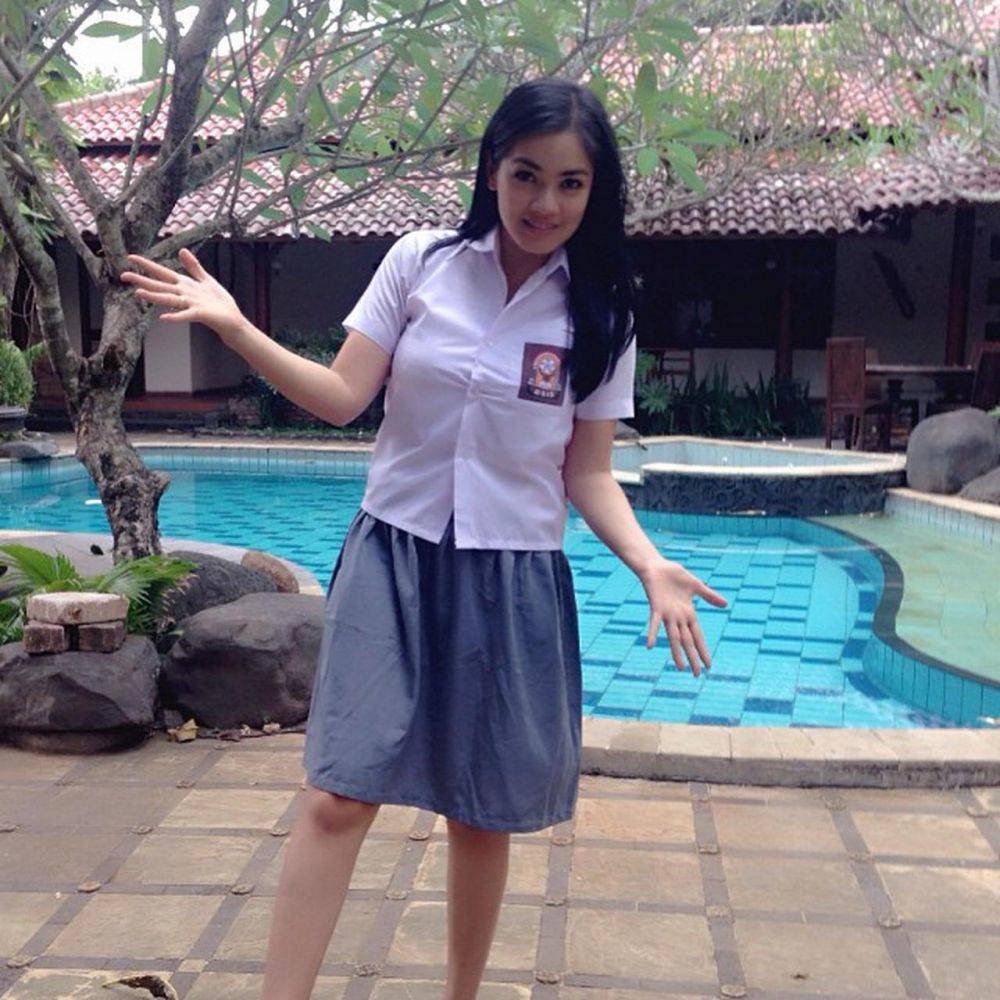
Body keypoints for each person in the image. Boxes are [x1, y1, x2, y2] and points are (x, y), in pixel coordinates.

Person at [121, 77, 727, 1000]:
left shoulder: (601, 312)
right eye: (526, 175)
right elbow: (341, 397)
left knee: (480, 814)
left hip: (512, 574)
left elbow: (588, 472)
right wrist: (238, 329)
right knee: (338, 794)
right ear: (492, 170)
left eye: (570, 183)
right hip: (394, 555)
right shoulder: (422, 263)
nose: (545, 202)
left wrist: (648, 563)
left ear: (594, 190)